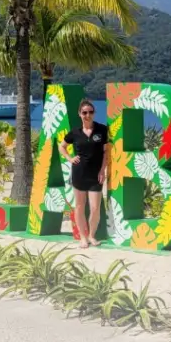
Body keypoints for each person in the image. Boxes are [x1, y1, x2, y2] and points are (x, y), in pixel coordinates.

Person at [59, 98, 109, 249]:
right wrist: (69, 158)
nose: (88, 115)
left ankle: (92, 236)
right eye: (84, 112)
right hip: (79, 173)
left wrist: (102, 170)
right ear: (79, 114)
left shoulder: (102, 130)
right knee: (79, 207)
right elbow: (62, 146)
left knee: (95, 208)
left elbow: (106, 152)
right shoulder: (75, 132)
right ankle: (82, 238)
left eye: (91, 112)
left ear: (94, 113)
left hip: (96, 174)